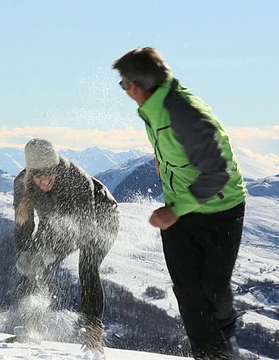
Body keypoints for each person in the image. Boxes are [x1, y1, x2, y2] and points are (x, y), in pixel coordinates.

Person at [113, 47, 247, 360]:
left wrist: (173, 210)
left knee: (213, 291)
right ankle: (213, 355)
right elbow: (177, 149)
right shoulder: (155, 109)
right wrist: (164, 165)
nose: (125, 92)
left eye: (124, 85)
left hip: (221, 210)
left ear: (136, 86)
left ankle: (225, 333)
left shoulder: (185, 113)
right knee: (189, 294)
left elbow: (218, 174)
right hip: (182, 208)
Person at [12, 138, 119, 353]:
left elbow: (86, 231)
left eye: (49, 173)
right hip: (53, 222)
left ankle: (93, 335)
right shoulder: (22, 183)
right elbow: (24, 225)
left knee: (88, 267)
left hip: (100, 218)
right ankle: (31, 329)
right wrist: (24, 254)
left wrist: (53, 249)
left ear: (58, 167)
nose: (44, 181)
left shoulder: (77, 179)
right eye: (38, 175)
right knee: (30, 268)